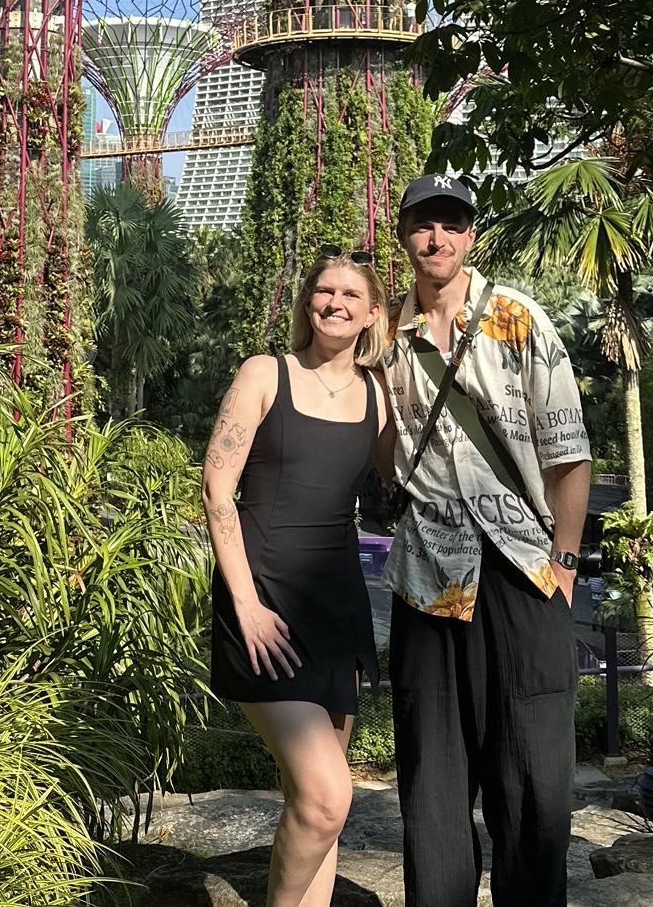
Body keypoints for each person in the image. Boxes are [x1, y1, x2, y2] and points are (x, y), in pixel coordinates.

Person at [381, 174, 592, 907]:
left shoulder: (517, 318)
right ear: (403, 234)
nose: (436, 238)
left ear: (471, 234)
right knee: (432, 779)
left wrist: (565, 567)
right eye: (423, 224)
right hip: (427, 573)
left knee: (534, 777)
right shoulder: (384, 333)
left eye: (452, 224)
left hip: (522, 568)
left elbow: (569, 453)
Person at [202, 248, 393, 907]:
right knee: (327, 796)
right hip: (263, 604)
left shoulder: (380, 395)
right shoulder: (266, 373)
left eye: (350, 294)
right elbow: (216, 491)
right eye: (324, 291)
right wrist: (246, 605)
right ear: (308, 301)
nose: (335, 303)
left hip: (336, 610)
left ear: (373, 313)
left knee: (317, 808)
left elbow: (410, 480)